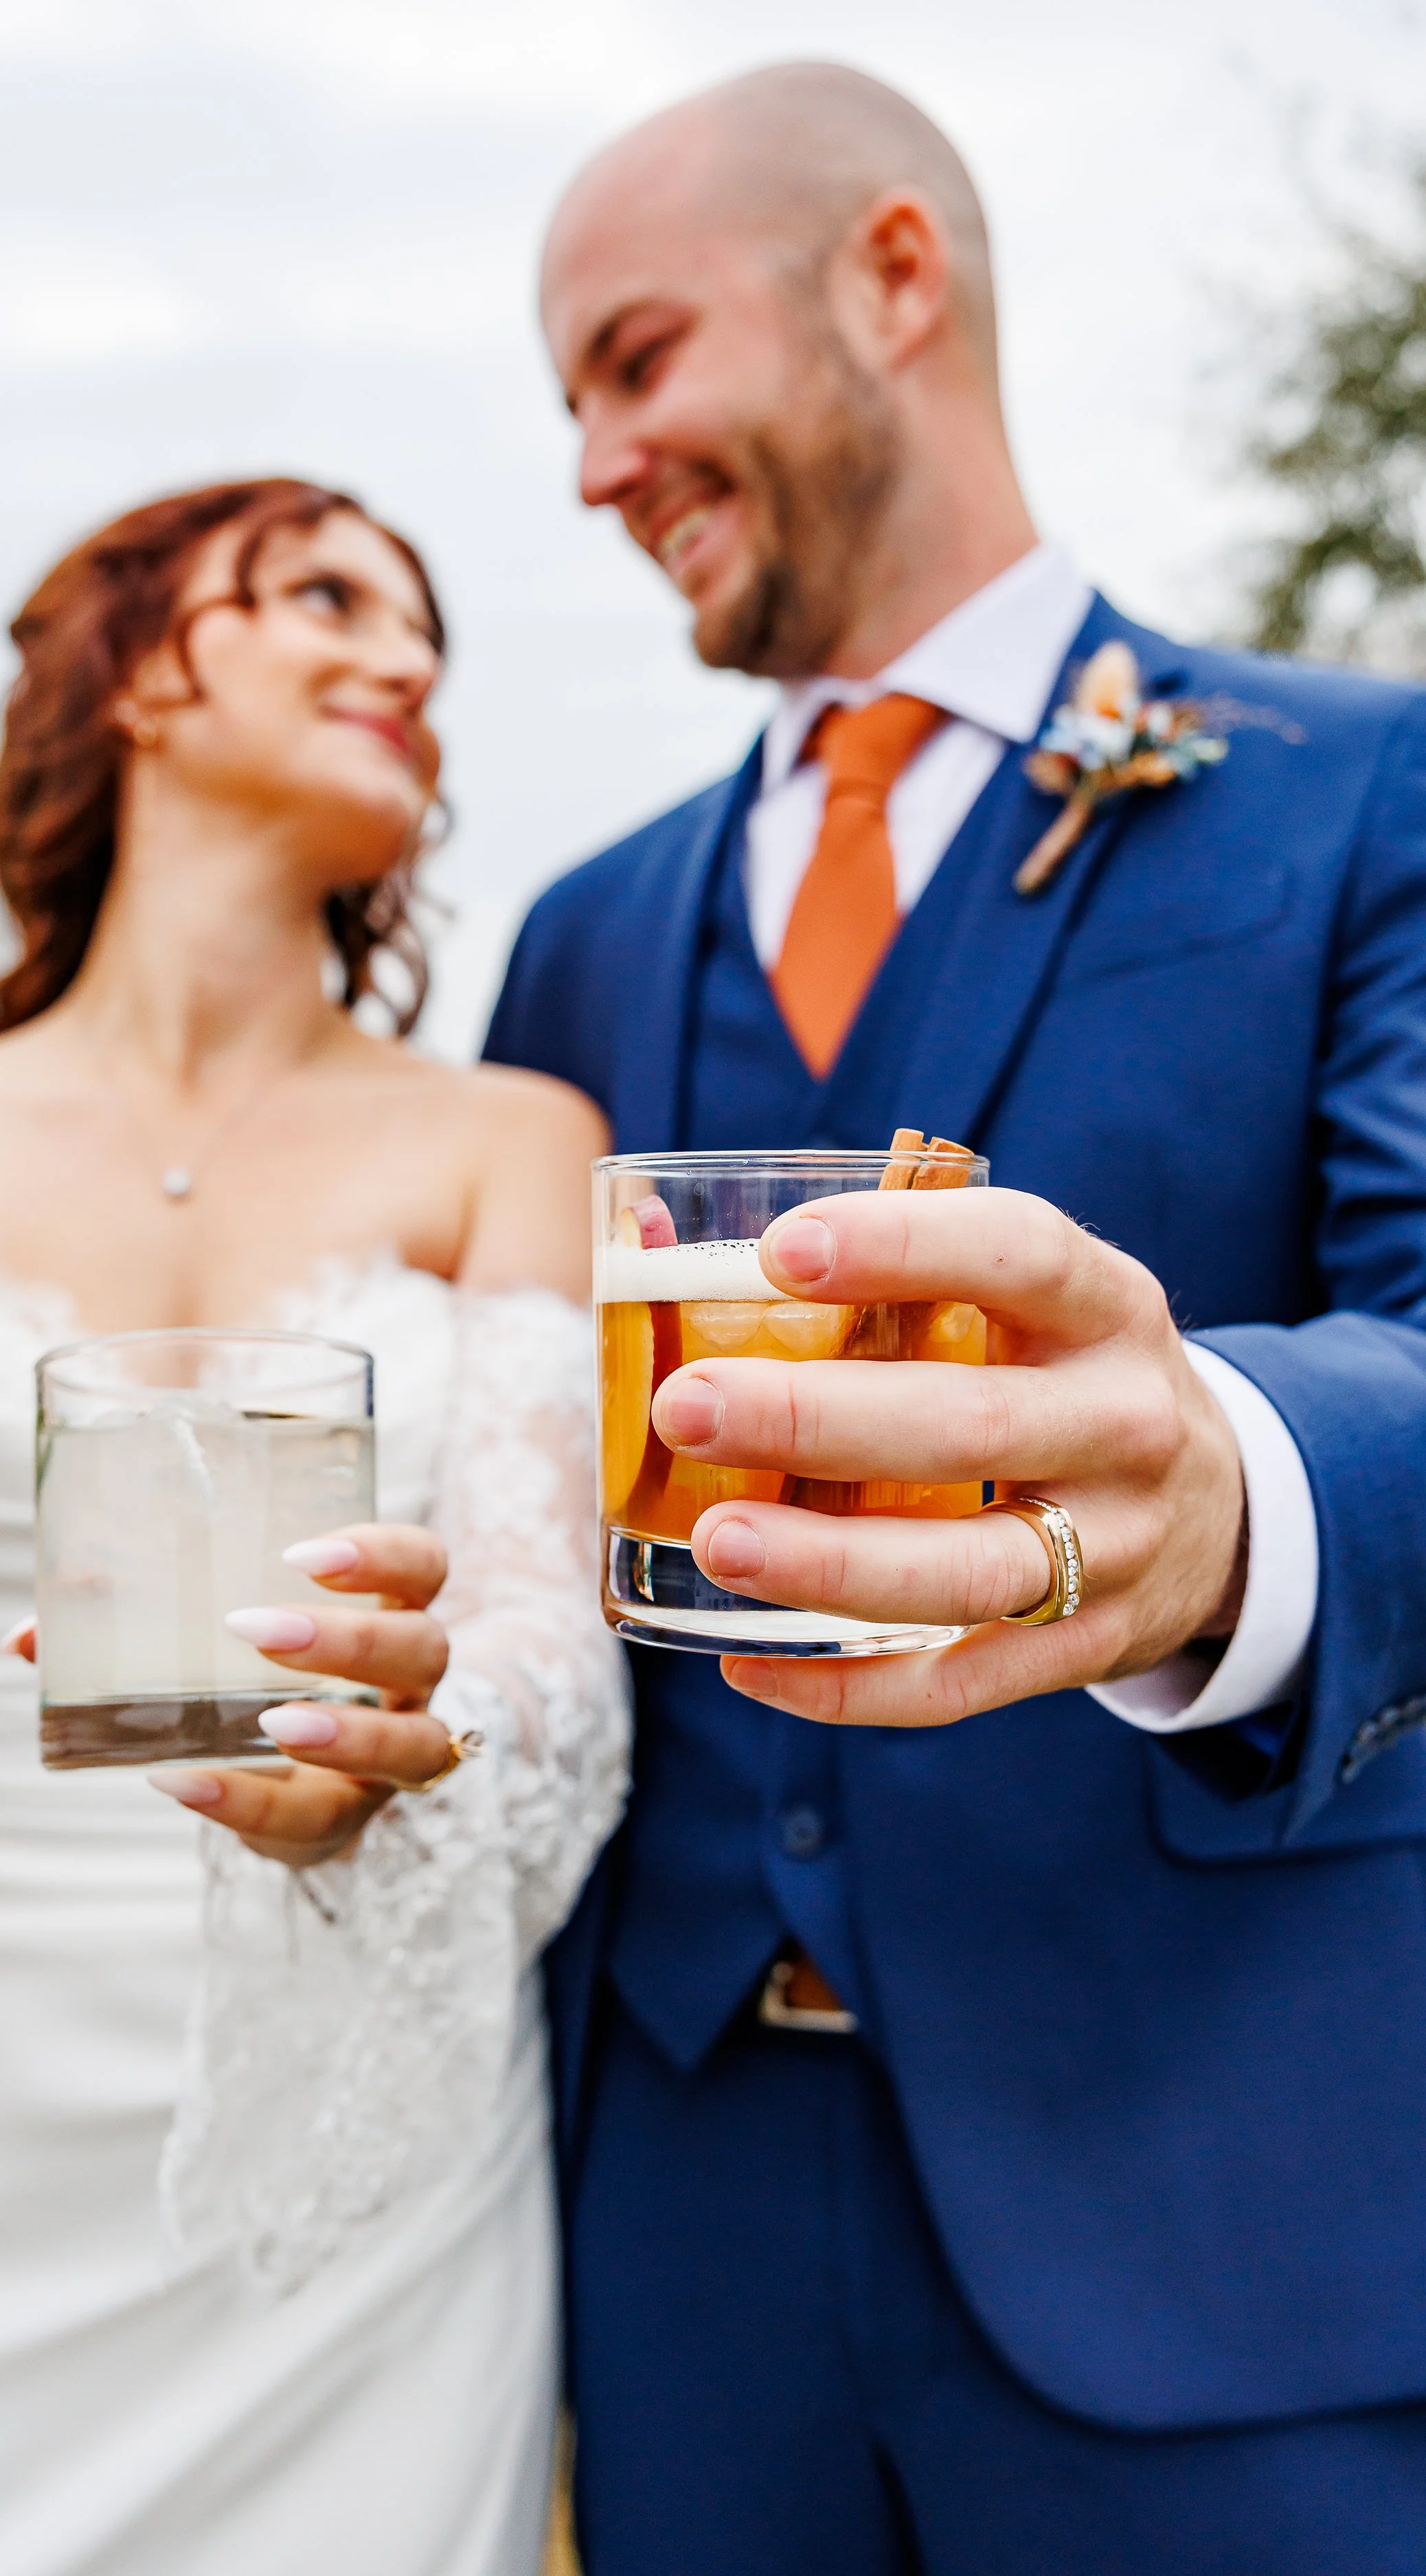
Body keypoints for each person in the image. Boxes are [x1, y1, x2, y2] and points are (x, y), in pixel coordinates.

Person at [484, 60, 1426, 2576]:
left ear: (892, 278)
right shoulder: (578, 932)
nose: (594, 460)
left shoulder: (1361, 788)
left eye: (636, 356)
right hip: (671, 2216)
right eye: (567, 399)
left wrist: (1234, 1485)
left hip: (1217, 2188)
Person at [0, 477, 628, 2576]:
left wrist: (408, 1758)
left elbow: (545, 1645)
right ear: (133, 666)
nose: (402, 659)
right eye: (324, 596)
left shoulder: (510, 1140)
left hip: (346, 2163)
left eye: (427, 639)